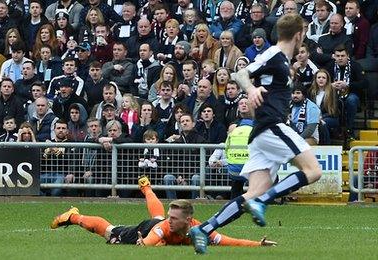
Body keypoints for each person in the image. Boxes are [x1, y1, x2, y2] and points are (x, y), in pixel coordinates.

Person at [189, 14, 323, 254]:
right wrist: (250, 89)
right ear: (299, 35)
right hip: (271, 127)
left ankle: (204, 229)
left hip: (262, 132)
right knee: (313, 171)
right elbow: (239, 73)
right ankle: (261, 202)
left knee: (253, 192)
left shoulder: (283, 61)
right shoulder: (273, 55)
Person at [50, 176, 276, 247]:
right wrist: (145, 243)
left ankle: (146, 187)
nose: (170, 220)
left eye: (174, 217)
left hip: (156, 226)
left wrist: (258, 245)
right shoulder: (163, 227)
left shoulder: (199, 229)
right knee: (111, 232)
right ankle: (73, 216)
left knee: (157, 216)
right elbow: (147, 242)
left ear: (189, 220)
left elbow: (228, 241)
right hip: (144, 230)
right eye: (170, 216)